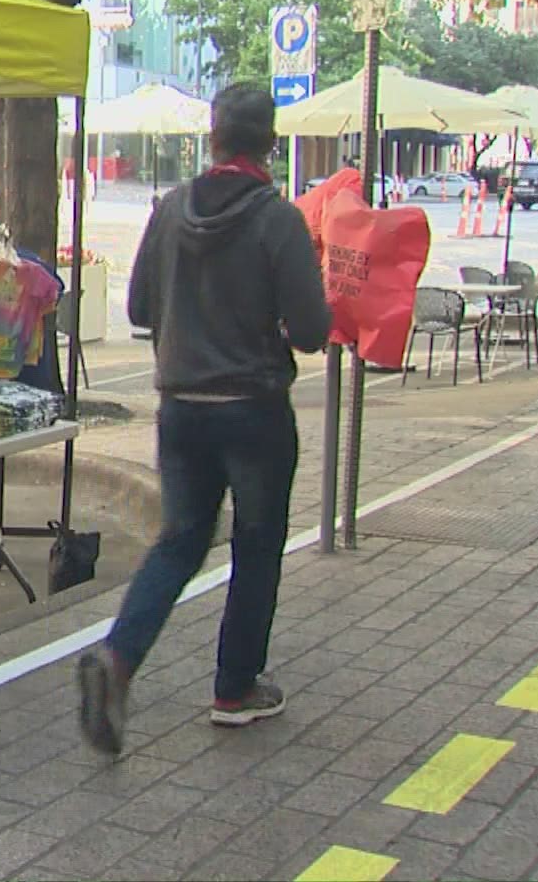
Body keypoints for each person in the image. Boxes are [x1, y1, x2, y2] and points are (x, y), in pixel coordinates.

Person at [76, 84, 331, 756]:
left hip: (180, 411)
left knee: (180, 541)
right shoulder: (279, 220)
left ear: (213, 137)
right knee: (256, 545)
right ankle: (234, 687)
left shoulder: (168, 210)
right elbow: (310, 330)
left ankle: (120, 658)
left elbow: (136, 309)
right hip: (254, 412)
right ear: (269, 145)